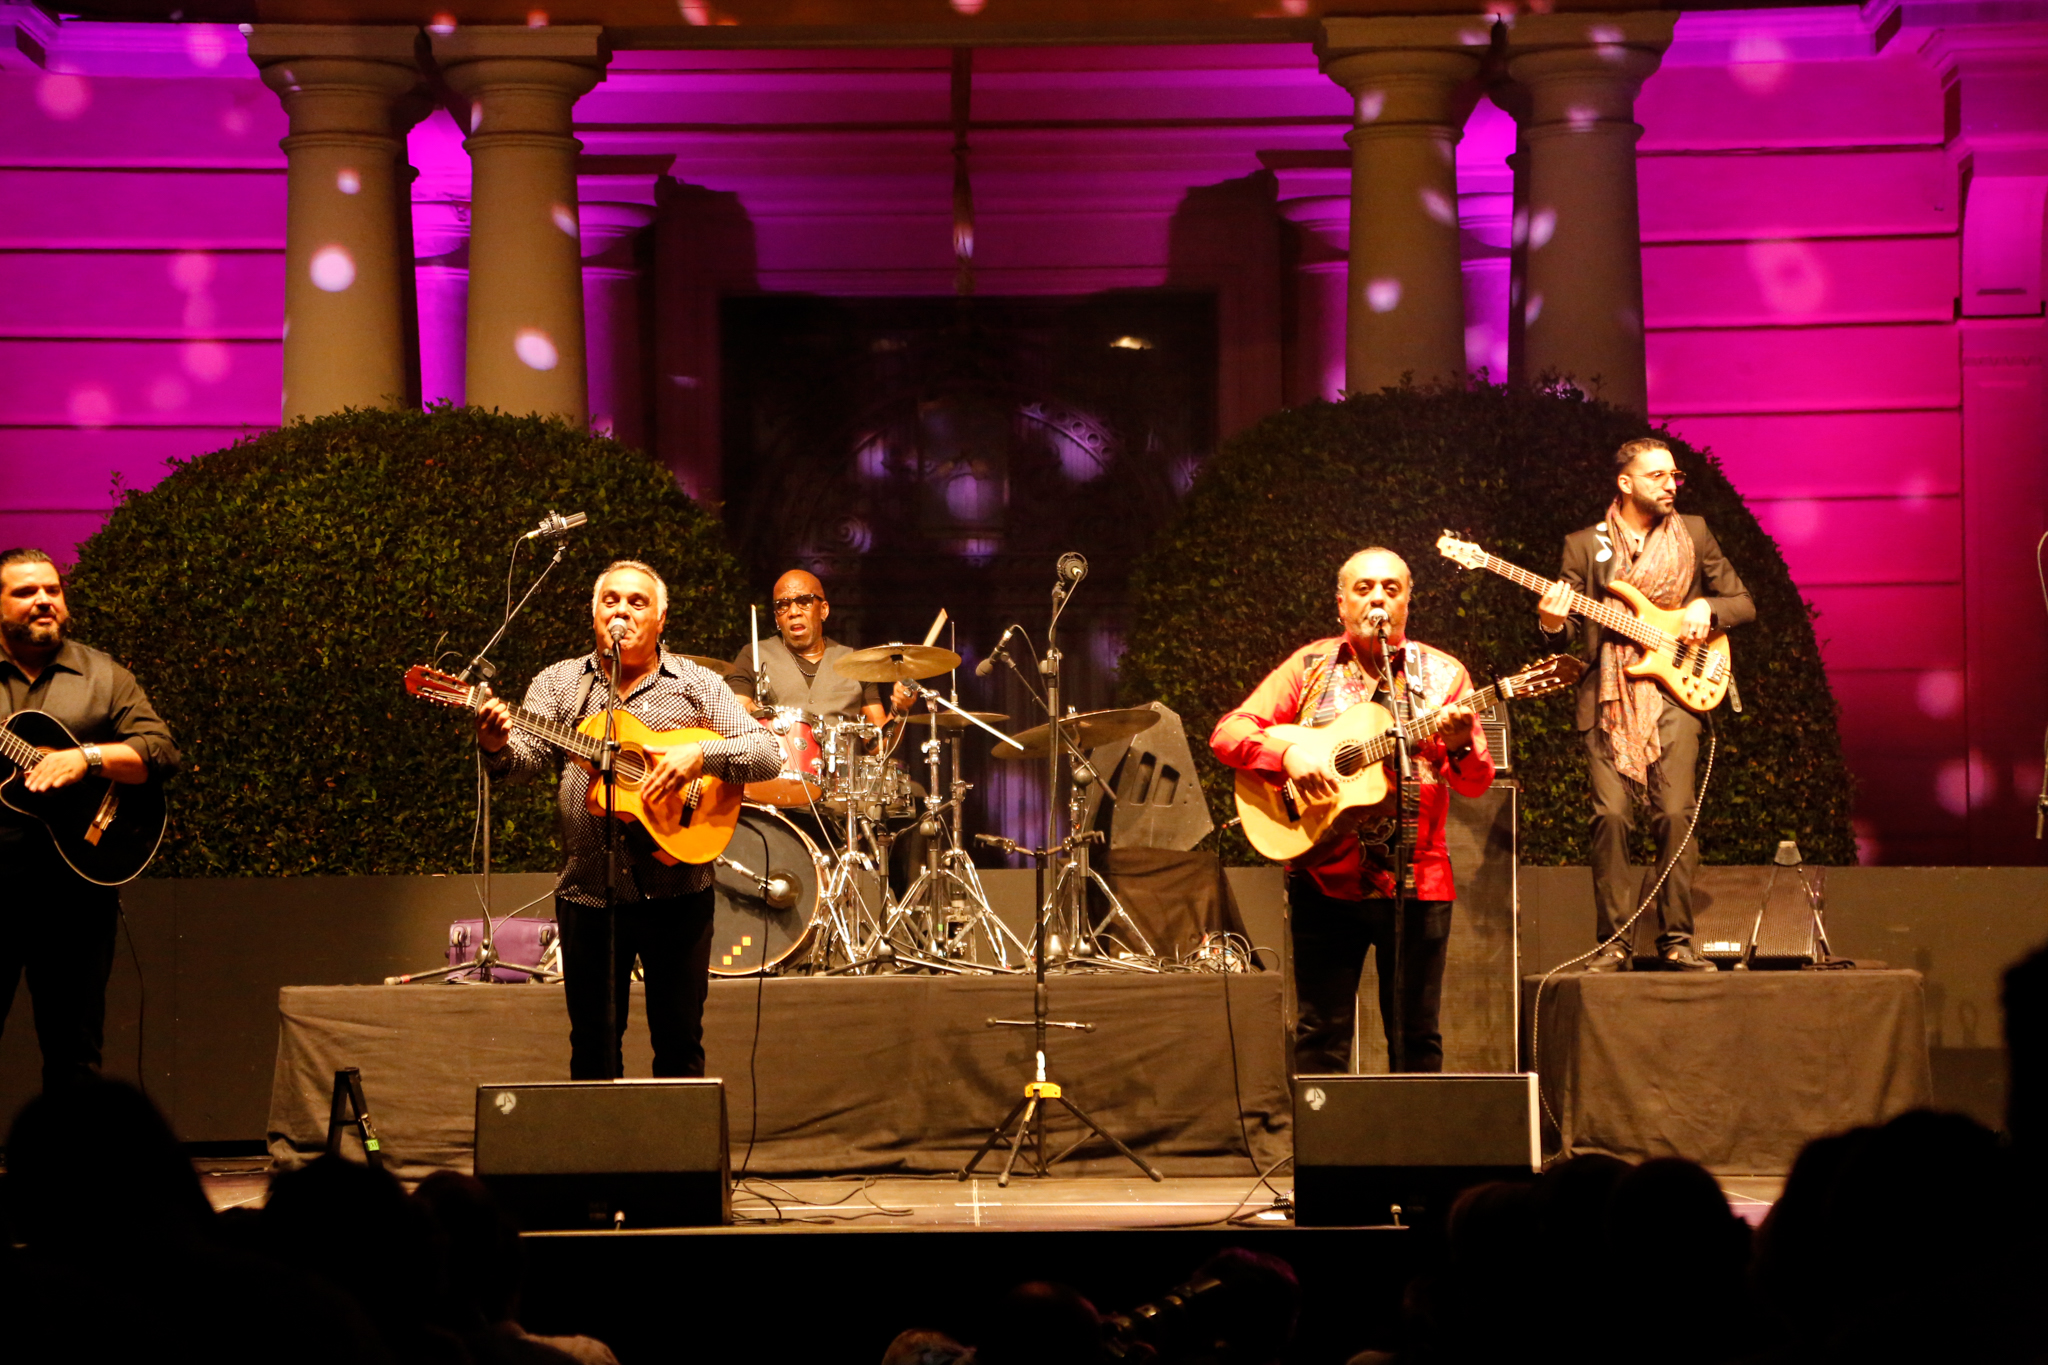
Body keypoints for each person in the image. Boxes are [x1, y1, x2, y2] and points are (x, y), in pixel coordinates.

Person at [479, 559, 781, 1079]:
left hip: (679, 891)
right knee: (593, 1049)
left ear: (661, 618)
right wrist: (497, 746)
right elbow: (523, 763)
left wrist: (698, 755)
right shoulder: (558, 684)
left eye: (637, 602)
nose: (622, 611)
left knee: (679, 1043)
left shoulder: (696, 683)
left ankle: (681, 1158)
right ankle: (599, 1157)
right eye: (610, 601)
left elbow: (767, 751)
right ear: (594, 613)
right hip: (590, 892)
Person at [1211, 547, 1494, 1074]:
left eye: (1391, 588)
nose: (1378, 598)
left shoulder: (1444, 676)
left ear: (1409, 601)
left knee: (1417, 1040)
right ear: (1341, 604)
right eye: (1364, 589)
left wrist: (1458, 744)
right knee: (1321, 1034)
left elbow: (1475, 782)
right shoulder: (1309, 665)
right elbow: (1228, 733)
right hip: (1323, 879)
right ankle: (1324, 1156)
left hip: (1419, 882)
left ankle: (1413, 1156)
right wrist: (1290, 754)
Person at [1535, 437, 1754, 972]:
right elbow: (1560, 635)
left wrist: (1705, 606)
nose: (1670, 484)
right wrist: (1551, 620)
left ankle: (1676, 939)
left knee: (1675, 814)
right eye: (1657, 476)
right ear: (1625, 483)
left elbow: (1742, 603)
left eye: (1674, 476)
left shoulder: (1695, 533)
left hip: (1676, 691)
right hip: (1609, 697)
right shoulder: (1585, 546)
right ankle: (1613, 942)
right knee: (1610, 817)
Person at [0, 547, 179, 1093]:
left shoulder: (102, 675)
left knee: (75, 1053)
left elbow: (160, 751)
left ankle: (70, 1173)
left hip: (76, 894)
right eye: (25, 592)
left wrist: (85, 759)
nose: (43, 601)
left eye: (51, 590)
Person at [725, 568, 914, 729]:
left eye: (804, 602)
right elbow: (732, 721)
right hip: (775, 770)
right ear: (776, 618)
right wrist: (748, 710)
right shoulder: (754, 656)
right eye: (783, 606)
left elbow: (878, 745)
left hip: (839, 772)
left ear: (823, 610)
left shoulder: (857, 663)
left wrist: (900, 710)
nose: (794, 612)